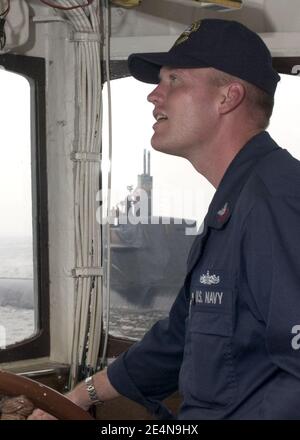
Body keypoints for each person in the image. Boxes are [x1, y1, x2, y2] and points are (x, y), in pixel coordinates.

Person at [29, 18, 300, 420]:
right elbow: (178, 341)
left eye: (174, 80)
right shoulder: (234, 204)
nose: (154, 96)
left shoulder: (278, 200)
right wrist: (78, 398)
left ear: (228, 98)